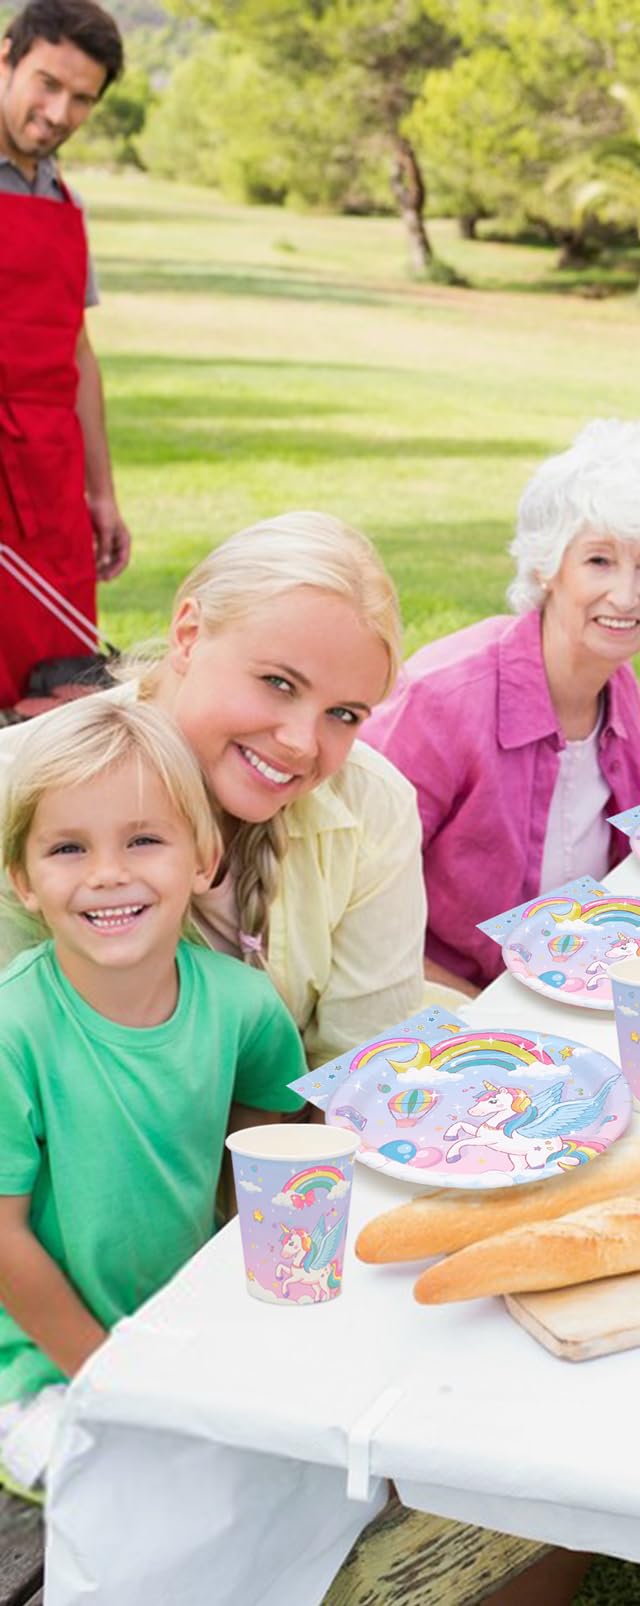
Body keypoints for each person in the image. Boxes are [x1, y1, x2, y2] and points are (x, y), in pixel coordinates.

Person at [0, 699, 305, 1502]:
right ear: (23, 879)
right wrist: (108, 1375)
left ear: (204, 857)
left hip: (181, 1330)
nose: (107, 873)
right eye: (69, 847)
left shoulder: (242, 1007)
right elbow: (1, 1243)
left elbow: (263, 1150)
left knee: (283, 1474)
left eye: (143, 839)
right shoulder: (13, 1032)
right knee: (140, 1495)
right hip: (37, 1360)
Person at [0, 511, 427, 1065]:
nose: (300, 742)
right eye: (279, 683)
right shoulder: (23, 787)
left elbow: (367, 1071)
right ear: (188, 635)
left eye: (343, 714)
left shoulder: (373, 806)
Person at [364, 419, 640, 995]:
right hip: (450, 1012)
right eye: (599, 561)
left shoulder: (616, 686)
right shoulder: (444, 699)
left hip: (573, 985)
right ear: (548, 565)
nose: (626, 596)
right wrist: (485, 1012)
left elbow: (563, 817)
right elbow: (351, 898)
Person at [0, 0, 133, 708]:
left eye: (81, 99)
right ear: (6, 58)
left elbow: (76, 352)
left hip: (50, 482)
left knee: (62, 696)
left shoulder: (63, 197)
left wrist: (101, 494)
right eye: (47, 84)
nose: (58, 113)